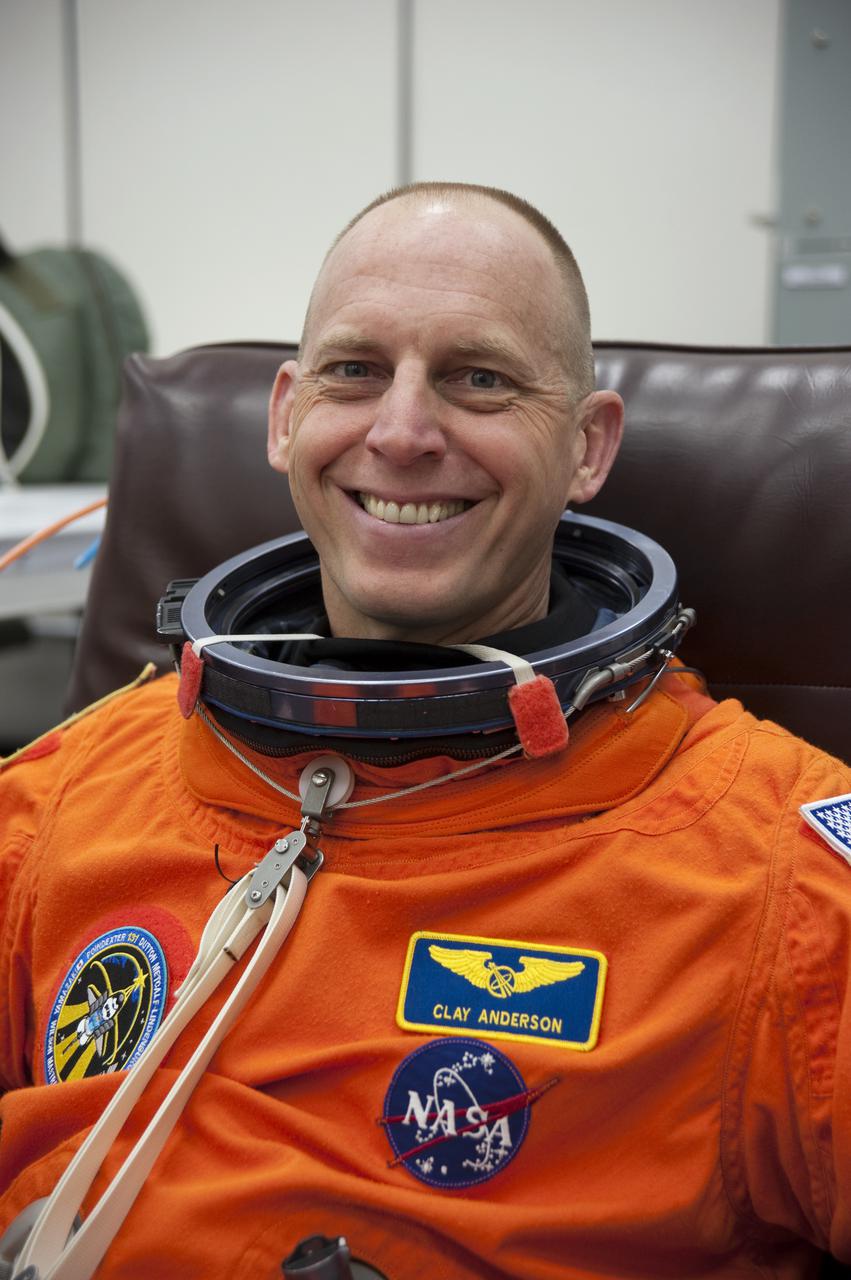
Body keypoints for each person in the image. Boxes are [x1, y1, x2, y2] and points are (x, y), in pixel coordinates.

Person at [1, 182, 850, 1280]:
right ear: (283, 418)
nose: (400, 434)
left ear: (587, 448)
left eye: (479, 379)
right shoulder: (69, 787)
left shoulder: (777, 878)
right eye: (354, 372)